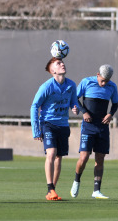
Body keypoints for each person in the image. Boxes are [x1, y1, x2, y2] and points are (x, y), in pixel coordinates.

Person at [31, 57, 79, 201]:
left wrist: (75, 107)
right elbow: (34, 106)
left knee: (59, 158)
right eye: (58, 63)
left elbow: (73, 102)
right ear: (53, 71)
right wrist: (36, 129)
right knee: (51, 153)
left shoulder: (71, 85)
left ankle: (52, 191)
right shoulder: (46, 87)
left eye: (62, 62)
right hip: (48, 124)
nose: (62, 64)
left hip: (63, 125)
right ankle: (50, 188)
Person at [70, 64, 118, 199]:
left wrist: (110, 114)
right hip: (88, 126)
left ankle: (96, 190)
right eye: (102, 80)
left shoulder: (112, 86)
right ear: (97, 74)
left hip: (102, 126)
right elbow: (75, 98)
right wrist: (84, 112)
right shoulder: (86, 82)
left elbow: (115, 103)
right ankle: (76, 181)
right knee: (84, 157)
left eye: (106, 81)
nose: (104, 84)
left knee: (100, 159)